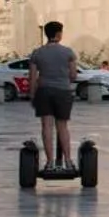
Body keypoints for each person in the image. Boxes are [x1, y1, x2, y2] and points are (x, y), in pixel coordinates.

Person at [29, 20, 78, 171]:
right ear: (59, 34)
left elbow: (32, 77)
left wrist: (32, 96)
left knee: (46, 126)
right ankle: (68, 161)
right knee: (62, 126)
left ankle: (49, 162)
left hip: (44, 91)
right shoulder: (68, 52)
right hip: (63, 91)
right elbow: (74, 76)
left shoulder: (37, 53)